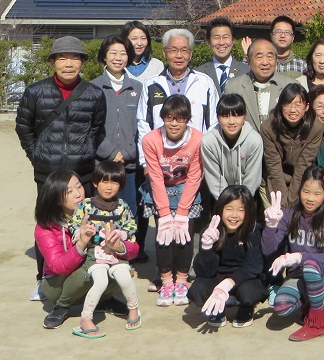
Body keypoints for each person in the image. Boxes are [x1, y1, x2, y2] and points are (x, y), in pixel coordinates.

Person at [16, 35, 106, 301]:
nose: (69, 63)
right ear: (53, 61)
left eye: (75, 58)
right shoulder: (35, 92)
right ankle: (44, 279)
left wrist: (85, 153)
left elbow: (97, 129)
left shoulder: (94, 93)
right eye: (62, 58)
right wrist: (37, 156)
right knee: (49, 225)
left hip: (82, 172)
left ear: (82, 62)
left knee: (86, 224)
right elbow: (24, 128)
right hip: (48, 173)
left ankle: (86, 277)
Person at [36, 170, 127, 330]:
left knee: (120, 264)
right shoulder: (46, 227)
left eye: (79, 186)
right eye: (69, 192)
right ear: (56, 199)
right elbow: (58, 266)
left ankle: (104, 299)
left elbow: (132, 246)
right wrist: (81, 243)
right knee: (89, 269)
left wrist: (120, 247)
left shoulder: (99, 210)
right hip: (57, 282)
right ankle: (62, 306)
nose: (78, 194)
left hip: (91, 269)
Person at [262, 166, 324, 342]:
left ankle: (318, 323)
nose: (310, 198)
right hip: (298, 275)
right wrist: (271, 226)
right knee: (281, 306)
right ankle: (308, 304)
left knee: (310, 266)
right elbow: (268, 250)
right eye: (306, 191)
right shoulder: (289, 215)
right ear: (300, 191)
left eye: (317, 193)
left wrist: (299, 257)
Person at [140, 94, 204, 308]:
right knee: (164, 235)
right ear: (163, 119)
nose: (174, 123)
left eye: (180, 118)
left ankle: (182, 280)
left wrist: (183, 211)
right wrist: (165, 213)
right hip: (162, 189)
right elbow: (155, 176)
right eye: (169, 118)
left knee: (184, 235)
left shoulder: (197, 139)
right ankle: (166, 281)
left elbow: (195, 175)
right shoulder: (150, 140)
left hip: (187, 188)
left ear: (187, 119)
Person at [68, 161, 141, 337]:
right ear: (95, 182)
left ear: (121, 185)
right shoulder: (86, 205)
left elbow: (131, 227)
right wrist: (82, 232)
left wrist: (119, 235)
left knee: (125, 278)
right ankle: (86, 318)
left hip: (115, 252)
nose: (109, 187)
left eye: (114, 182)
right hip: (95, 253)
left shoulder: (122, 206)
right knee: (101, 281)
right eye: (104, 181)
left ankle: (134, 310)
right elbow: (73, 225)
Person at [91, 35, 145, 260]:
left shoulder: (138, 87)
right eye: (113, 52)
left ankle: (126, 256)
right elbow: (90, 128)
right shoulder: (93, 87)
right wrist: (111, 153)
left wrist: (129, 153)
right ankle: (101, 255)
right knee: (102, 209)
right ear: (104, 56)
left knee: (129, 211)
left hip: (130, 164)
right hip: (103, 164)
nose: (118, 57)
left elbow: (143, 124)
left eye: (123, 53)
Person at [136, 28, 219, 166]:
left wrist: (206, 160)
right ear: (164, 53)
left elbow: (213, 124)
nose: (179, 55)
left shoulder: (205, 83)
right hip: (160, 161)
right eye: (173, 50)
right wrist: (146, 163)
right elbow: (143, 125)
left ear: (190, 54)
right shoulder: (152, 84)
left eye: (184, 50)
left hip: (196, 161)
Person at [188, 185, 267, 329]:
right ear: (220, 209)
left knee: (250, 291)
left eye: (241, 210)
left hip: (244, 278)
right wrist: (206, 248)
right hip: (218, 276)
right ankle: (218, 310)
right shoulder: (210, 231)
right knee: (199, 287)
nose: (234, 215)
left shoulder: (254, 230)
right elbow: (204, 272)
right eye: (229, 209)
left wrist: (230, 282)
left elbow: (254, 266)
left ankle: (245, 308)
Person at [261, 83, 323, 208]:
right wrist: (283, 201)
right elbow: (273, 167)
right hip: (274, 181)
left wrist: (291, 199)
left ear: (306, 107)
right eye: (288, 104)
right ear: (281, 106)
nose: (293, 110)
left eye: (298, 104)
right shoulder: (268, 127)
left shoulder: (315, 128)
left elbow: (304, 165)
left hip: (300, 181)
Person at [224, 38, 296, 132]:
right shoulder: (233, 87)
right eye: (259, 57)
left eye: (270, 57)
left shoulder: (290, 86)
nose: (265, 62)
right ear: (249, 61)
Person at [201, 94, 264, 201]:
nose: (231, 122)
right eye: (225, 116)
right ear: (218, 117)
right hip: (220, 200)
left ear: (245, 116)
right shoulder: (208, 142)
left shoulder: (254, 141)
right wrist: (228, 204)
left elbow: (252, 180)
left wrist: (241, 203)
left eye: (236, 115)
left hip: (247, 199)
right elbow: (215, 180)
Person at [196, 17, 250, 94]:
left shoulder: (246, 71)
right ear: (208, 42)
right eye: (216, 37)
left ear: (233, 40)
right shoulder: (199, 73)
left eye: (225, 37)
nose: (221, 42)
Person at [242, 15, 307, 77]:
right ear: (271, 35)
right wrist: (250, 55)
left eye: (287, 32)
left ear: (293, 38)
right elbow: (245, 76)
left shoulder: (302, 65)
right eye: (278, 32)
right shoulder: (264, 62)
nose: (282, 36)